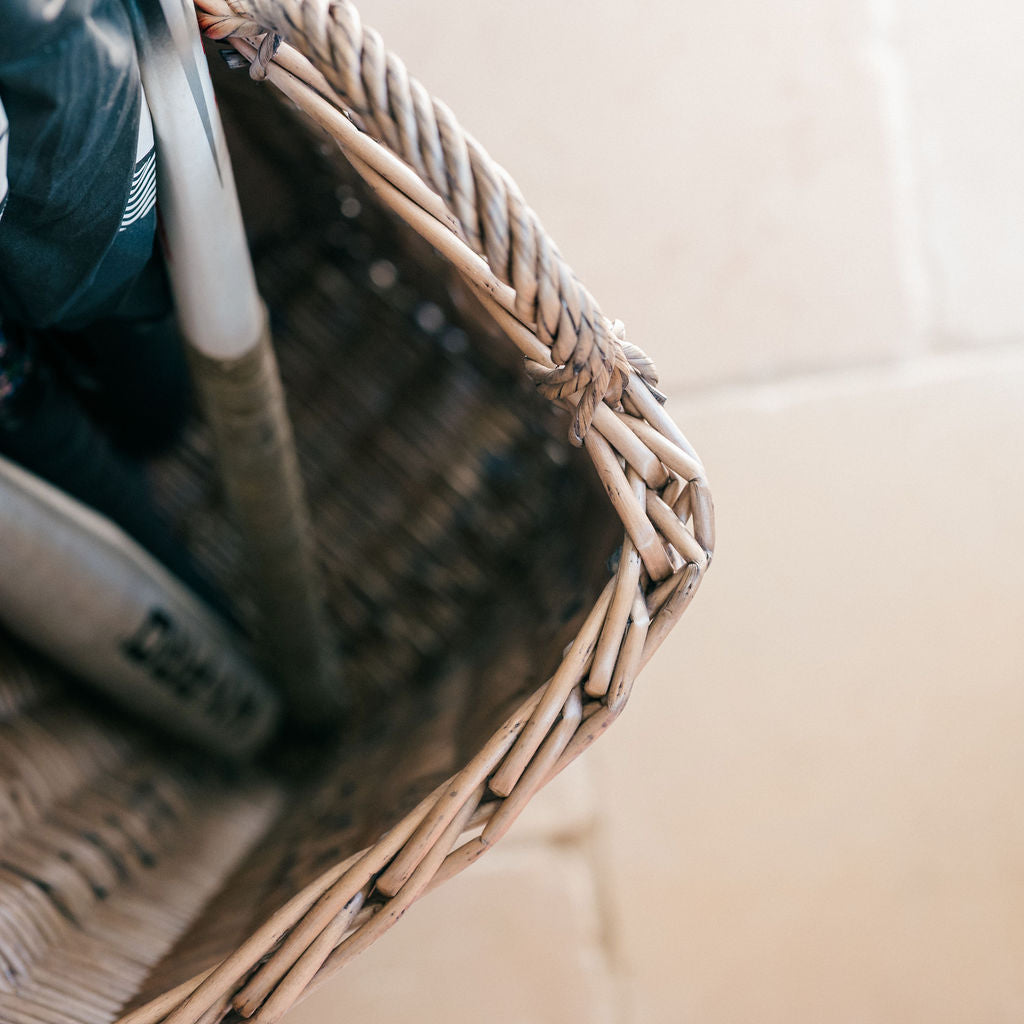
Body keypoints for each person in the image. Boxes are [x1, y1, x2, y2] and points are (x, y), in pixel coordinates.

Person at [0, 0, 215, 603]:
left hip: (95, 209)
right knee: (64, 462)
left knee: (151, 392)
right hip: (91, 189)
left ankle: (151, 435)